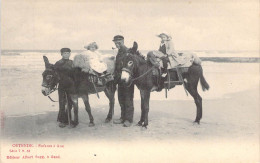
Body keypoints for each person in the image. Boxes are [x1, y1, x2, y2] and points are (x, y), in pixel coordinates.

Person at [112, 35, 135, 127]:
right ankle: (122, 118)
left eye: (118, 42)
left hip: (127, 79)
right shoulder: (119, 52)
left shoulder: (127, 52)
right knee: (121, 99)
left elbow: (130, 66)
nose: (117, 44)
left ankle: (128, 120)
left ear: (122, 41)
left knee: (128, 99)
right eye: (115, 43)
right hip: (119, 79)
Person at [54, 48, 74, 128]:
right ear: (61, 54)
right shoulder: (58, 63)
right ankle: (62, 120)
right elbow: (55, 74)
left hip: (71, 85)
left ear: (70, 54)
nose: (67, 55)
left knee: (70, 103)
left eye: (68, 53)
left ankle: (68, 119)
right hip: (62, 85)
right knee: (62, 103)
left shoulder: (72, 62)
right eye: (65, 53)